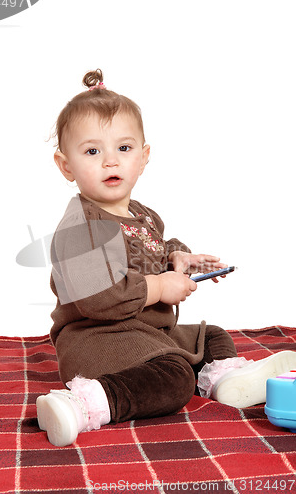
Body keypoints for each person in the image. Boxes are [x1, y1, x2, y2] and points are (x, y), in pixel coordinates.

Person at [36, 69, 296, 447]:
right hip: (97, 338)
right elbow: (99, 296)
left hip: (146, 330)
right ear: (66, 165)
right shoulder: (81, 226)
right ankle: (83, 404)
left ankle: (227, 381)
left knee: (212, 336)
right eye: (93, 151)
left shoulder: (142, 214)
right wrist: (158, 287)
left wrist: (178, 257)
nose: (111, 162)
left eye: (123, 149)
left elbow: (151, 248)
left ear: (143, 157)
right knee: (175, 377)